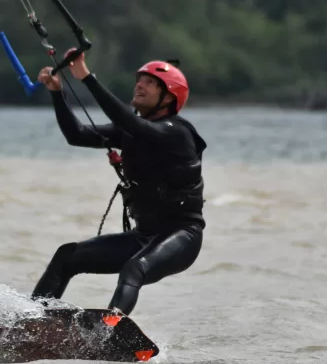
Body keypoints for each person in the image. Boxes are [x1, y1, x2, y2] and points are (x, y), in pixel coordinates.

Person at [31, 53, 207, 317]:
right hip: (143, 236)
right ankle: (32, 320)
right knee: (67, 256)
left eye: (150, 83)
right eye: (140, 80)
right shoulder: (131, 132)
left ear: (168, 97)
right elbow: (77, 135)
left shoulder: (177, 132)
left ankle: (112, 326)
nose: (139, 85)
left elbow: (132, 123)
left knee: (135, 268)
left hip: (182, 236)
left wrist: (86, 78)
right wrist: (58, 93)